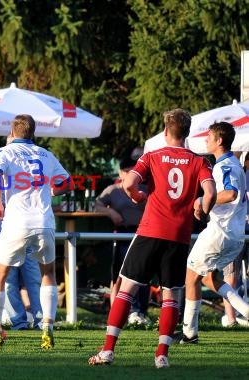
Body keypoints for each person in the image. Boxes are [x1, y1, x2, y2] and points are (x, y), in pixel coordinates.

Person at [88, 108, 217, 368]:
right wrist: (202, 211)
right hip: (179, 236)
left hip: (150, 231)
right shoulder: (200, 161)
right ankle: (162, 356)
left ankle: (108, 351)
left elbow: (129, 184)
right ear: (188, 132)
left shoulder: (152, 156)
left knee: (126, 290)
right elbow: (211, 192)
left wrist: (137, 197)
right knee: (171, 296)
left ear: (166, 131)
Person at [0, 114, 70, 350]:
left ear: (12, 133)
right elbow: (67, 182)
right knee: (48, 274)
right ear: (33, 133)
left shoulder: (5, 152)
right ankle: (47, 327)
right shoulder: (46, 154)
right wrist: (53, 192)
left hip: (17, 222)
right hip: (44, 221)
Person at [179, 122, 249, 343]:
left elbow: (230, 193)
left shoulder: (224, 166)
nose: (206, 140)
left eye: (209, 137)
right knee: (208, 278)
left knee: (190, 277)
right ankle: (246, 311)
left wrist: (202, 200)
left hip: (220, 232)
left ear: (219, 141)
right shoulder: (232, 164)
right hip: (235, 235)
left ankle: (189, 333)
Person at [0, 137, 42, 331]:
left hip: (24, 228)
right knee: (8, 280)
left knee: (32, 276)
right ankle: (19, 322)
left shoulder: (27, 166)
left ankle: (42, 320)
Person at [95, 157, 150, 325]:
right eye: (126, 171)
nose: (130, 174)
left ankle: (140, 311)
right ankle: (126, 312)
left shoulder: (144, 189)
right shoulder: (113, 190)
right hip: (122, 234)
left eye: (133, 170)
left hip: (142, 234)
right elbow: (96, 204)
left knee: (143, 274)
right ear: (120, 172)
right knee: (121, 275)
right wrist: (111, 212)